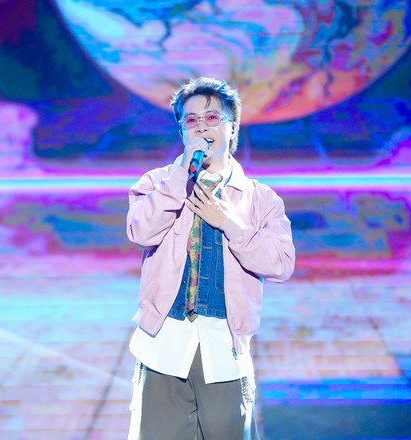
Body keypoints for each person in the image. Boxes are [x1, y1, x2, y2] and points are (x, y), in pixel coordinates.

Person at [126, 77, 295, 439]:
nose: (202, 127)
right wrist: (178, 180)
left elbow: (281, 264)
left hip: (224, 352)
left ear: (232, 127)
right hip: (163, 348)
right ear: (181, 131)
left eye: (212, 117)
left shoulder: (260, 198)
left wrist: (230, 224)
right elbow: (140, 231)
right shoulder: (157, 183)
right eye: (191, 120)